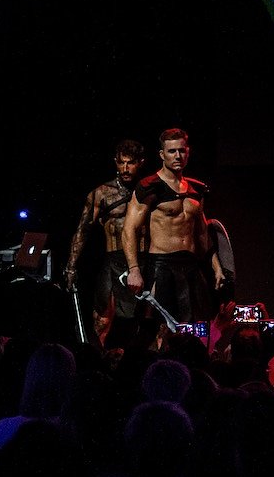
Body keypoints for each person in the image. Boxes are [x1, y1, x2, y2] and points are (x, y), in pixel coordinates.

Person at [122, 128, 224, 326]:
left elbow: (202, 234)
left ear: (188, 152)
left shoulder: (197, 189)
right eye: (171, 151)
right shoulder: (149, 186)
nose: (178, 156)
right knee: (161, 328)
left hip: (191, 266)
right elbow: (129, 230)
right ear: (162, 154)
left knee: (197, 326)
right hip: (162, 266)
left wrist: (217, 267)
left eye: (182, 150)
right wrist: (133, 269)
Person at [62, 139, 148, 345]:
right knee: (102, 320)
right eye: (121, 162)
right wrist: (71, 266)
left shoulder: (150, 191)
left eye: (131, 163)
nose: (125, 168)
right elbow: (82, 230)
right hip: (114, 261)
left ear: (140, 163)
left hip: (144, 260)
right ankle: (96, 360)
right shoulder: (102, 194)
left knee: (147, 321)